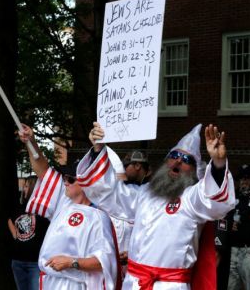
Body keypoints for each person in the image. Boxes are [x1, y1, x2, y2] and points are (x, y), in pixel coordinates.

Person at [77, 122, 235, 289]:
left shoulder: (192, 198)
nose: (178, 161)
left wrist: (218, 163)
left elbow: (214, 199)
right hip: (134, 283)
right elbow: (108, 192)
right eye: (174, 156)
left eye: (186, 159)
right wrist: (97, 150)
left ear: (195, 171)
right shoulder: (144, 193)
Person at [18, 124, 120, 289]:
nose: (65, 181)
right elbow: (43, 171)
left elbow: (104, 262)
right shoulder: (63, 202)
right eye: (65, 177)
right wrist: (31, 142)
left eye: (71, 179)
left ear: (87, 185)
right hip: (49, 282)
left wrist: (71, 262)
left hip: (74, 285)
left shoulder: (98, 217)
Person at [226, 164, 250, 290]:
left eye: (246, 178)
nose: (243, 181)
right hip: (233, 251)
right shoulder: (234, 195)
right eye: (241, 178)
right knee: (231, 286)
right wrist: (229, 225)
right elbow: (224, 216)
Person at [8, 176, 50, 290]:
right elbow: (10, 219)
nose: (23, 188)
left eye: (26, 186)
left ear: (34, 188)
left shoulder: (43, 210)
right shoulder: (20, 207)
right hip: (17, 261)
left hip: (35, 263)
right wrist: (13, 231)